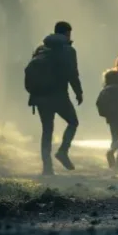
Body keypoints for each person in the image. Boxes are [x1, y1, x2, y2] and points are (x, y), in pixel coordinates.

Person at [29, 21, 83, 175]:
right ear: (67, 33)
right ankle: (63, 151)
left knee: (47, 130)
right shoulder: (68, 50)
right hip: (59, 95)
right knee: (73, 122)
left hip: (40, 96)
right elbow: (73, 73)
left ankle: (47, 167)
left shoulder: (40, 49)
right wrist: (78, 92)